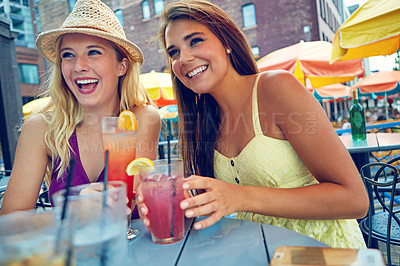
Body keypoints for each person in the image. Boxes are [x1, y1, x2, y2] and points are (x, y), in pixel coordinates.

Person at [137, 0, 368, 249]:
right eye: (174, 52)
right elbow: (222, 205)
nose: (184, 58)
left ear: (226, 42)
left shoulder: (276, 87)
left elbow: (355, 199)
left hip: (323, 251)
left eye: (195, 41)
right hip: (260, 252)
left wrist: (240, 197)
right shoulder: (203, 122)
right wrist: (180, 204)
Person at [0, 0, 161, 215]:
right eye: (68, 55)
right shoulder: (40, 128)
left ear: (121, 66)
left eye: (93, 52)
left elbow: (137, 209)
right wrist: (73, 209)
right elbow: (10, 219)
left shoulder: (141, 119)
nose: (78, 66)